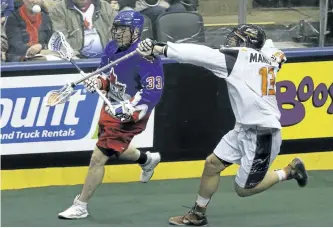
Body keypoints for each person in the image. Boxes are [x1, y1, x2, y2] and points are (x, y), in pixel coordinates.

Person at [136, 24, 309, 226]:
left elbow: (200, 54)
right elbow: (273, 49)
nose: (231, 41)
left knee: (243, 189)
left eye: (237, 38)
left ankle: (289, 171)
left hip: (263, 133)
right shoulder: (269, 56)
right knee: (212, 164)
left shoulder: (238, 57)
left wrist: (161, 48)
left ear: (247, 42)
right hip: (245, 127)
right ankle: (198, 214)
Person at [58, 10, 164, 219]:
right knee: (116, 149)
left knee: (98, 157)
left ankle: (81, 205)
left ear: (135, 32)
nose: (118, 33)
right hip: (111, 107)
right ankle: (146, 159)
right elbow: (105, 75)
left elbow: (153, 92)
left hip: (130, 115)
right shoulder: (111, 47)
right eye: (117, 28)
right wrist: (96, 82)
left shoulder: (147, 57)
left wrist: (129, 109)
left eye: (124, 29)